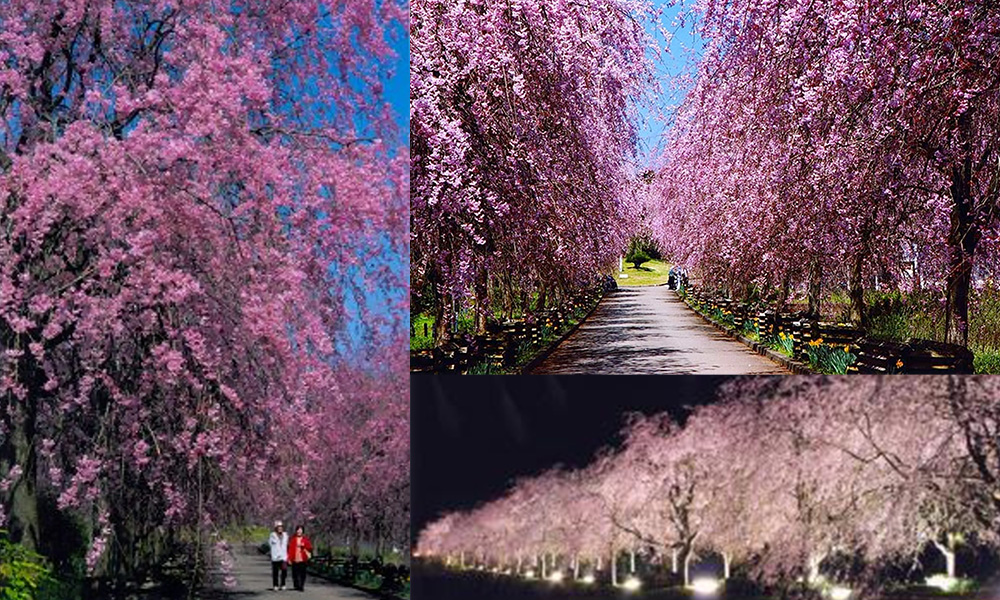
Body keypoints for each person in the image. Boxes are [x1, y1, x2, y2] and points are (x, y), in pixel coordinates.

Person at [287, 525, 313, 592]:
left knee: (302, 573)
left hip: (303, 559)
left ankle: (301, 586)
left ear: (302, 531)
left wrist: (303, 546)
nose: (299, 531)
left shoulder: (305, 539)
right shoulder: (293, 539)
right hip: (295, 558)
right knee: (295, 573)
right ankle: (296, 585)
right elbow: (290, 549)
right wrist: (289, 559)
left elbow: (310, 548)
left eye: (300, 530)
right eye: (298, 530)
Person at [268, 521, 289, 591]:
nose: (280, 529)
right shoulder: (272, 535)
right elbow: (270, 544)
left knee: (284, 571)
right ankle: (275, 585)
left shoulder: (285, 535)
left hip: (283, 556)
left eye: (281, 527)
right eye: (278, 527)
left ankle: (283, 584)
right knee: (275, 572)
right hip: (275, 556)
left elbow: (286, 544)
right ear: (276, 528)